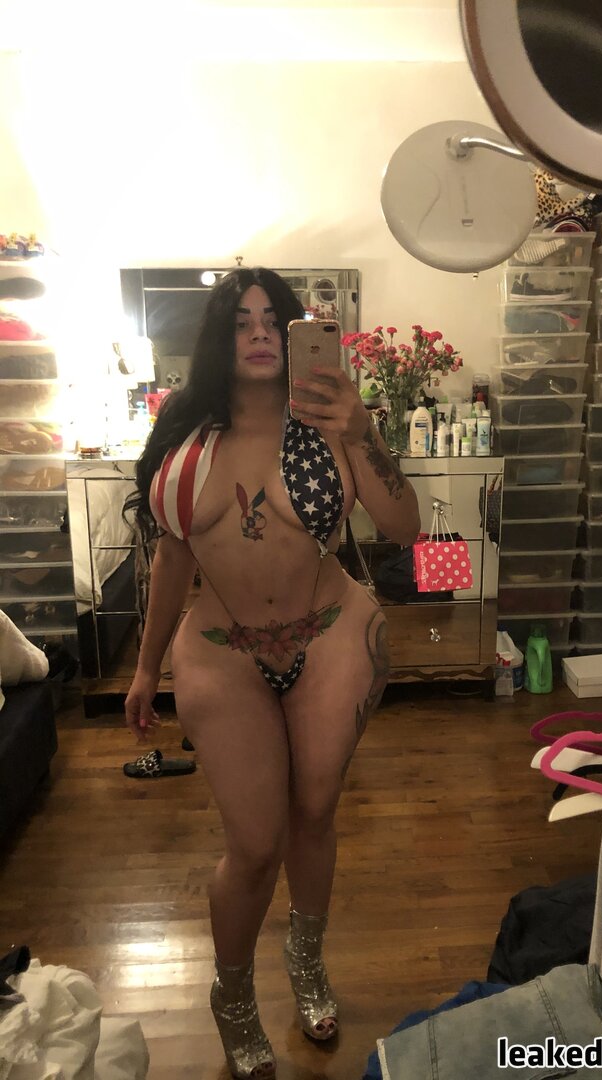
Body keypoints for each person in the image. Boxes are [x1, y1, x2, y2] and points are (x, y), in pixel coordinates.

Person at [123, 268, 420, 1079]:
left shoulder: (328, 424)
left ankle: (307, 959)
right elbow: (173, 560)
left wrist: (363, 429)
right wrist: (145, 668)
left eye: (272, 319)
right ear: (218, 339)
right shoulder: (187, 440)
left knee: (313, 812)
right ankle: (231, 995)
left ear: (295, 336)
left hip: (329, 636)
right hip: (224, 652)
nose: (258, 332)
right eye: (240, 320)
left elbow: (404, 526)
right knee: (254, 845)